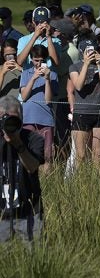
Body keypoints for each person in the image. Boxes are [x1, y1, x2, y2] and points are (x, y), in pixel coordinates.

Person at [0, 96, 45, 242]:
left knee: (34, 255)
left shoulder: (33, 139)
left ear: (22, 119)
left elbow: (32, 167)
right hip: (2, 213)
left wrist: (18, 143)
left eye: (14, 120)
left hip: (29, 209)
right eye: (5, 119)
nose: (9, 124)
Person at [69, 35, 100, 167]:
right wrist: (86, 64)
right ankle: (81, 184)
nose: (91, 53)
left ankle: (97, 184)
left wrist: (98, 64)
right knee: (81, 155)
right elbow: (79, 86)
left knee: (98, 154)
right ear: (82, 52)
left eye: (93, 50)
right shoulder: (74, 67)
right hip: (82, 112)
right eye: (88, 50)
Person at [19, 45, 58, 174]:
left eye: (41, 60)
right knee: (28, 153)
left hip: (46, 120)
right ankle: (29, 182)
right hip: (28, 119)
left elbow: (48, 100)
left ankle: (47, 182)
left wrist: (46, 79)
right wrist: (34, 77)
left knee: (47, 156)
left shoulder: (52, 75)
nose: (39, 63)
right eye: (36, 60)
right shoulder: (26, 74)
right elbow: (24, 96)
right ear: (31, 59)